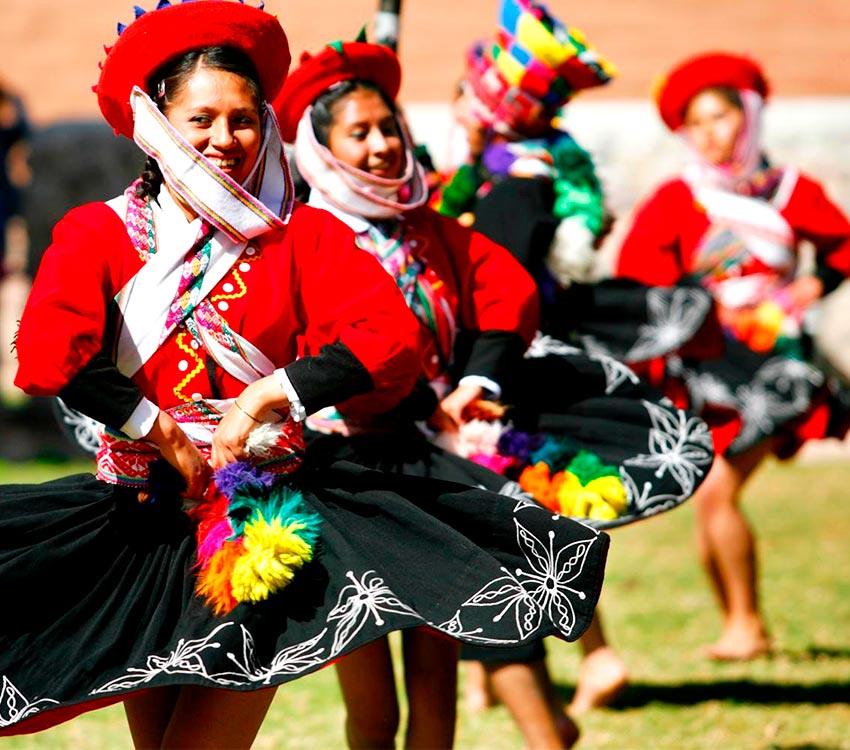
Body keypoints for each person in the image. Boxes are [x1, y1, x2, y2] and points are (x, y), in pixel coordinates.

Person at [0, 2, 612, 747]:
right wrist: (158, 430)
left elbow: (387, 336)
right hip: (140, 518)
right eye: (201, 120)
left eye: (243, 119)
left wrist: (268, 392)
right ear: (153, 121)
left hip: (262, 523)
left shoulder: (303, 235)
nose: (224, 139)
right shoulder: (96, 232)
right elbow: (48, 355)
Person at [277, 32, 712, 750]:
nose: (384, 145)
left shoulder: (431, 231)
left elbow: (500, 294)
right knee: (372, 701)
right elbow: (339, 352)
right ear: (319, 151)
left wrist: (475, 381)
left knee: (438, 681)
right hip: (348, 474)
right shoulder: (306, 241)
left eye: (390, 127)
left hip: (443, 467)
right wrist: (422, 401)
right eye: (360, 133)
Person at [435, 0, 634, 728]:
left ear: (494, 102)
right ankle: (528, 674)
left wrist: (476, 371)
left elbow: (501, 282)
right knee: (531, 509)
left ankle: (573, 665)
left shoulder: (516, 180)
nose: (457, 104)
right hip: (510, 362)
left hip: (503, 371)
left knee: (520, 515)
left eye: (466, 90)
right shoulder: (515, 169)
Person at [614, 51, 850, 660]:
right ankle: (742, 626)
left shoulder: (791, 191)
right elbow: (639, 277)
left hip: (777, 365)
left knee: (716, 488)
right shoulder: (678, 198)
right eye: (696, 123)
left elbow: (840, 246)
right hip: (710, 368)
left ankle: (746, 625)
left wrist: (808, 287)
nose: (711, 133)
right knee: (707, 494)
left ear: (747, 116)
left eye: (720, 117)